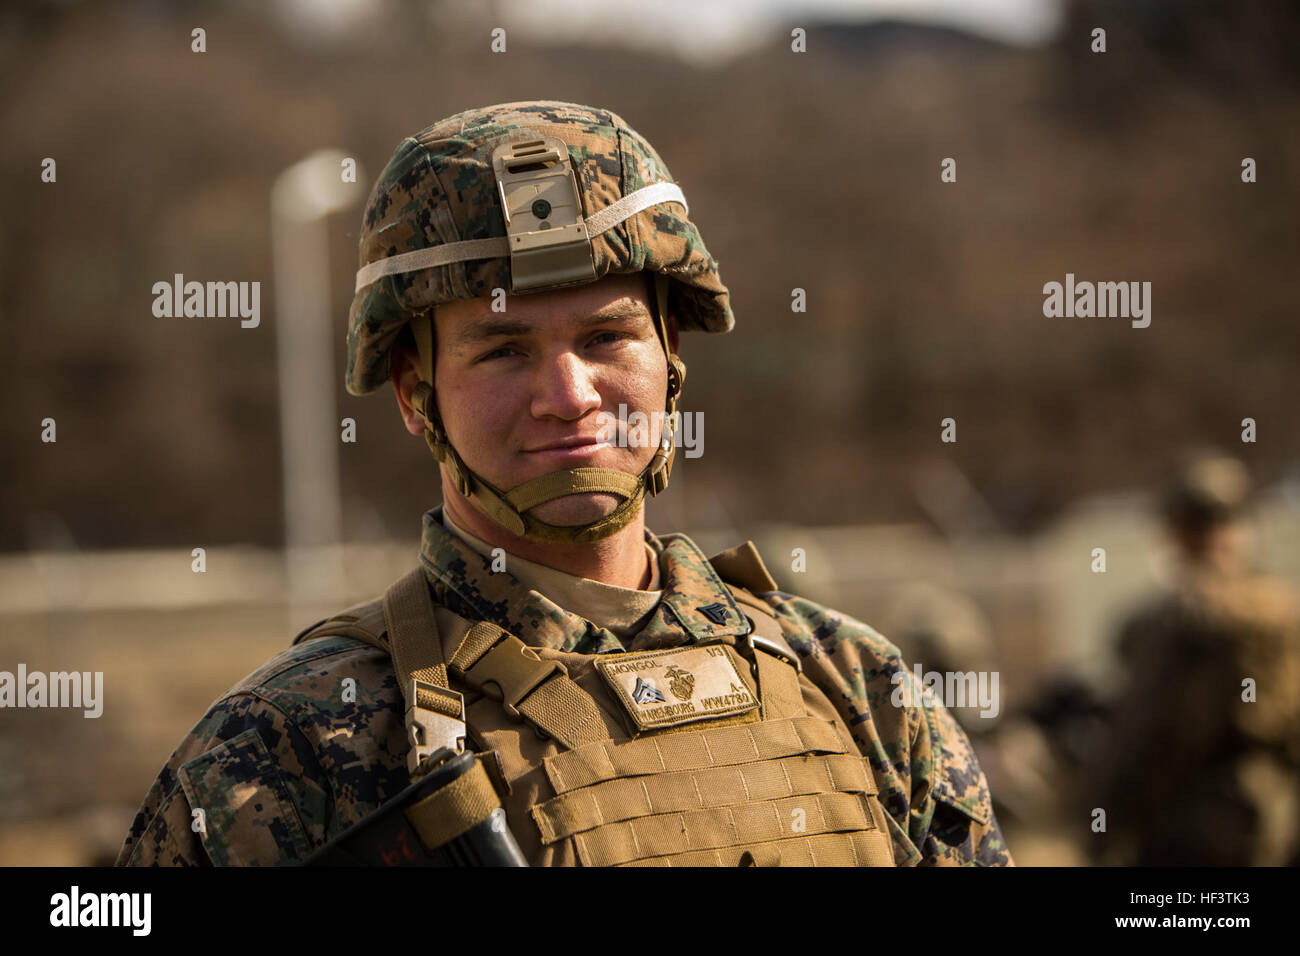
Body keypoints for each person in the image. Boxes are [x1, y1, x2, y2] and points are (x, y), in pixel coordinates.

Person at [116, 101, 1013, 867]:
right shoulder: (290, 749)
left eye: (607, 338)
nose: (569, 396)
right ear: (414, 393)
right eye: (505, 350)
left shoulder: (860, 690)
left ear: (670, 359)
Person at [1085, 451, 1300, 866]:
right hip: (1273, 819)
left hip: (1189, 829)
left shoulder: (1170, 621)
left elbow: (1139, 738)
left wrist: (1100, 826)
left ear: (1175, 533)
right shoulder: (1284, 611)